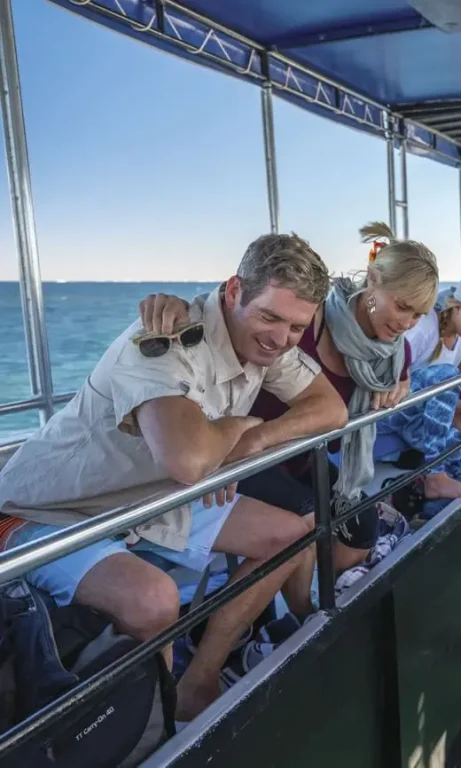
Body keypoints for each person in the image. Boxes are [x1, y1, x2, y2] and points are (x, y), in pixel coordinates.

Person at [0, 234, 347, 721]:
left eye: (296, 326)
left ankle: (197, 682)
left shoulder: (266, 342)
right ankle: (154, 726)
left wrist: (257, 441)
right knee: (154, 600)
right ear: (233, 292)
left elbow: (330, 409)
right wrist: (242, 426)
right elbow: (189, 461)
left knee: (288, 536)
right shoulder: (163, 342)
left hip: (149, 502)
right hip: (49, 511)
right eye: (269, 317)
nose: (281, 337)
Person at [137, 222, 439, 569]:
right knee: (306, 526)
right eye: (402, 306)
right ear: (372, 280)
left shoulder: (394, 354)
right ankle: (299, 614)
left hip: (302, 453)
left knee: (361, 528)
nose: (407, 323)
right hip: (246, 455)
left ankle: (316, 597)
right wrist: (175, 306)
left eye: (418, 313)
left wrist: (403, 383)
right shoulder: (307, 320)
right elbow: (241, 310)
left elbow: (373, 391)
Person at [376, 273, 461, 497]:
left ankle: (427, 508)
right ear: (457, 307)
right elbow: (390, 378)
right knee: (447, 374)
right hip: (384, 410)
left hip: (413, 417)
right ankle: (435, 477)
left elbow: (438, 393)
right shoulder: (423, 328)